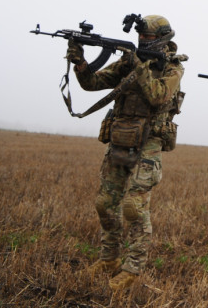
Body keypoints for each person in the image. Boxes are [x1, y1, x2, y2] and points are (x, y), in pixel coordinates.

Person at [66, 15, 185, 292]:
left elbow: (157, 96)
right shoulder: (129, 61)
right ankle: (109, 259)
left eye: (148, 37)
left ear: (162, 39)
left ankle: (132, 268)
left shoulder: (173, 68)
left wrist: (138, 64)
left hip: (148, 143)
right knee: (105, 203)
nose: (142, 40)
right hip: (120, 138)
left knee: (134, 207)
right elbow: (92, 83)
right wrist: (80, 63)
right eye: (140, 36)